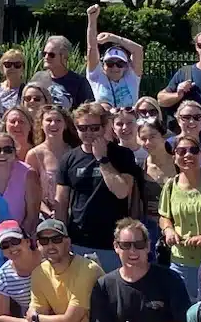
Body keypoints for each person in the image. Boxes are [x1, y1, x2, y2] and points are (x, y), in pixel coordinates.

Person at [56, 103, 139, 272]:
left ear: (104, 126)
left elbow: (122, 192)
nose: (88, 133)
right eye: (82, 128)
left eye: (94, 128)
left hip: (113, 242)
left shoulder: (122, 155)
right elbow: (62, 202)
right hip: (78, 241)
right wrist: (61, 238)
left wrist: (102, 159)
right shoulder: (68, 158)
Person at [158, 137, 201, 302]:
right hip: (180, 261)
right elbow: (164, 216)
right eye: (181, 151)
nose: (187, 155)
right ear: (174, 157)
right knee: (184, 309)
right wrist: (168, 230)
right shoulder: (170, 185)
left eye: (193, 150)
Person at [82, 5, 145, 108]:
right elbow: (92, 48)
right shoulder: (97, 77)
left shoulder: (131, 77)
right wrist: (92, 20)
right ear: (103, 65)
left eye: (120, 64)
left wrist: (113, 38)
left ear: (126, 66)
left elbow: (138, 50)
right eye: (110, 64)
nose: (115, 67)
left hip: (128, 122)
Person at [0, 128, 38, 227]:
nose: (2, 154)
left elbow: (32, 216)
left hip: (18, 236)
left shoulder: (28, 174)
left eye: (7, 150)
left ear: (15, 151)